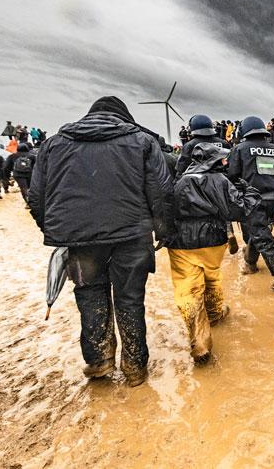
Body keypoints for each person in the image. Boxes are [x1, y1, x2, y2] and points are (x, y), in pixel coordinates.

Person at [28, 96, 174, 387]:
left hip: (80, 241)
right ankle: (134, 366)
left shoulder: (53, 145)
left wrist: (59, 231)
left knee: (90, 295)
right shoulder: (143, 141)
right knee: (130, 298)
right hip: (132, 235)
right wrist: (163, 230)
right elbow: (161, 191)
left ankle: (99, 360)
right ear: (124, 116)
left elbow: (37, 197)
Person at [167, 143, 258, 364]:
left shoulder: (179, 181)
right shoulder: (221, 181)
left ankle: (199, 340)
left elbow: (166, 209)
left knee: (188, 289)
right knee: (212, 276)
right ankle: (215, 313)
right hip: (213, 240)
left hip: (181, 241)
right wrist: (249, 190)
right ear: (215, 161)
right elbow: (239, 210)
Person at [226, 116, 274, 292]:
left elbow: (231, 176)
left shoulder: (239, 149)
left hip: (251, 200)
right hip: (273, 200)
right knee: (261, 232)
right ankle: (250, 263)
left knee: (262, 236)